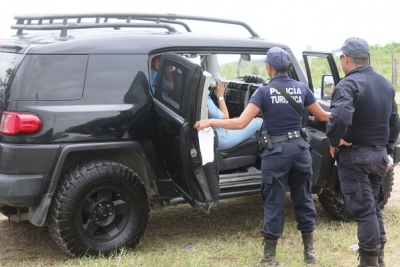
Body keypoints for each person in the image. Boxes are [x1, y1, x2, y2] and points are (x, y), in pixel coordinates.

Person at [195, 47, 331, 266]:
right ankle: (309, 253)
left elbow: (239, 123)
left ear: (269, 67)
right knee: (304, 199)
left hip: (276, 153)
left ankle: (269, 258)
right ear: (287, 67)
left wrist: (210, 122)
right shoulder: (302, 88)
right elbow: (323, 116)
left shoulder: (263, 92)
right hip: (300, 150)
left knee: (273, 202)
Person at [326, 37, 400, 267]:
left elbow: (339, 116)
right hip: (378, 156)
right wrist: (385, 148)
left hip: (356, 157)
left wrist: (334, 140)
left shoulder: (348, 84)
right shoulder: (386, 84)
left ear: (346, 59)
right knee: (373, 206)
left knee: (364, 209)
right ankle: (379, 258)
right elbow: (394, 121)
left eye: (341, 58)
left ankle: (368, 262)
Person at [208, 81, 262, 150]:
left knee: (253, 134)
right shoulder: (205, 99)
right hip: (218, 137)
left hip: (211, 134)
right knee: (259, 122)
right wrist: (220, 96)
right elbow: (225, 118)